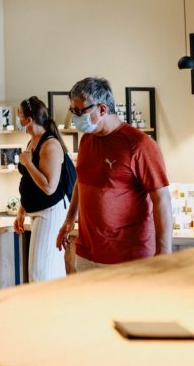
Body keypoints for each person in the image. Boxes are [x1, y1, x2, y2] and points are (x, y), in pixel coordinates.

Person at [55, 77, 172, 271]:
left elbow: (162, 199)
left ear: (102, 109)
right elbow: (81, 181)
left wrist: (163, 254)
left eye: (80, 111)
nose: (75, 117)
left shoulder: (139, 145)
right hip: (87, 253)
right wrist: (69, 220)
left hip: (130, 257)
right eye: (72, 111)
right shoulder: (86, 141)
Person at [13, 96, 69, 282]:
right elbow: (29, 180)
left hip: (50, 211)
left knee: (40, 273)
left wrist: (28, 163)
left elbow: (49, 187)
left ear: (29, 120)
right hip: (36, 211)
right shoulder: (32, 142)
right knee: (48, 270)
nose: (17, 119)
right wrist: (22, 210)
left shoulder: (50, 144)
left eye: (19, 115)